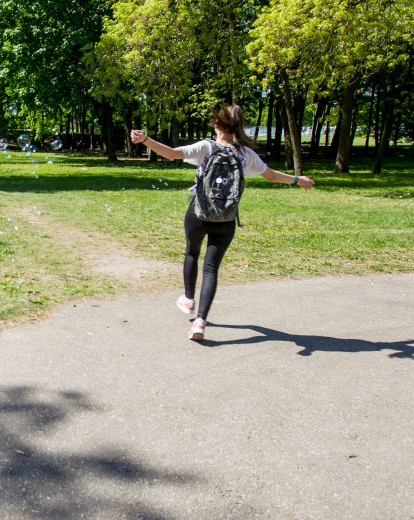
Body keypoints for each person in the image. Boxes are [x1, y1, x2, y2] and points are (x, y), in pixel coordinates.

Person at [131, 104, 315, 342]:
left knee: (191, 254)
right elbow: (270, 175)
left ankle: (188, 299)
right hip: (226, 218)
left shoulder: (207, 147)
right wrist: (296, 180)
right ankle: (200, 321)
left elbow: (171, 153)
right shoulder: (245, 154)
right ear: (238, 127)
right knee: (211, 268)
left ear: (217, 124)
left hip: (198, 213)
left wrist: (145, 139)